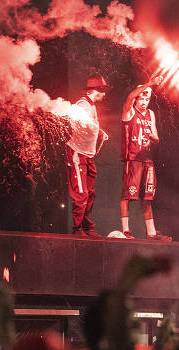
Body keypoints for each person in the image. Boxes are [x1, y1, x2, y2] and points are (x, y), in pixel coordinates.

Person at [120, 77, 172, 241]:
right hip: (133, 158)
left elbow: (157, 137)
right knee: (127, 195)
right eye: (141, 97)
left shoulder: (150, 114)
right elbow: (129, 97)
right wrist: (149, 84)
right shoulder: (129, 111)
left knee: (147, 196)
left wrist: (153, 137)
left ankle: (151, 233)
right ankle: (126, 230)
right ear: (136, 98)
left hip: (148, 160)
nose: (144, 101)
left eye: (147, 98)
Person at [66, 75, 110, 237]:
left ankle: (86, 226)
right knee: (81, 193)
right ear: (94, 91)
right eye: (102, 91)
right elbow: (75, 122)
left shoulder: (91, 106)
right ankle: (77, 229)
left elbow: (91, 124)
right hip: (78, 155)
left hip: (88, 156)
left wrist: (100, 132)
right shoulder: (82, 105)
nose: (104, 94)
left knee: (90, 193)